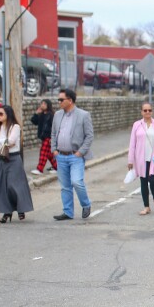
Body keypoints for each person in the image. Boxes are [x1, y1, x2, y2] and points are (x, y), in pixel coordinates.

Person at [50, 88, 94, 221]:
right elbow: (53, 133)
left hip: (75, 156)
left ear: (70, 100)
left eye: (61, 99)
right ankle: (68, 212)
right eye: (58, 99)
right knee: (65, 186)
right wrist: (54, 150)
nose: (59, 102)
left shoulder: (83, 115)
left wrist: (81, 152)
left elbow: (89, 136)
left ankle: (86, 204)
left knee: (77, 182)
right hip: (61, 156)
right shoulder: (57, 115)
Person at [0, 105, 34, 223]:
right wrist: (4, 143)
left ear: (8, 115)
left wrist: (1, 142)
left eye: (1, 114)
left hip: (13, 158)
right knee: (2, 186)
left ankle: (21, 208)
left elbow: (12, 141)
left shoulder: (15, 127)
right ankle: (7, 212)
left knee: (14, 185)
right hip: (0, 159)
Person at [127, 102, 154, 215]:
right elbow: (132, 144)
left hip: (153, 159)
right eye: (145, 110)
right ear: (141, 112)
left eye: (149, 110)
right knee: (143, 182)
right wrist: (130, 160)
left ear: (152, 111)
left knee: (152, 180)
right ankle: (146, 207)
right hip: (140, 159)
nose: (147, 112)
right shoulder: (137, 125)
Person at [30, 99, 57, 175]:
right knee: (49, 155)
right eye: (41, 103)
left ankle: (39, 169)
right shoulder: (41, 114)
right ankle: (57, 167)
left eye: (44, 104)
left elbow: (54, 127)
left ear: (48, 105)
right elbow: (34, 121)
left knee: (43, 153)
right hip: (43, 137)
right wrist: (36, 113)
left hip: (48, 137)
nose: (42, 105)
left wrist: (53, 138)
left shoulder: (51, 115)